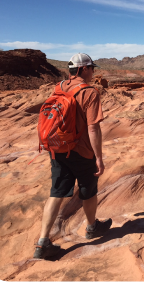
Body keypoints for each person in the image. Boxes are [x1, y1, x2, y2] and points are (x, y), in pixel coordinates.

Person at [34, 53, 112, 259]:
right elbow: (93, 128)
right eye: (92, 68)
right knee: (88, 191)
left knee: (56, 193)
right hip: (82, 151)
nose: (93, 72)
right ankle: (92, 227)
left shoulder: (58, 87)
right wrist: (99, 157)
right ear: (83, 69)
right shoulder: (89, 92)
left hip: (57, 149)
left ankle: (42, 242)